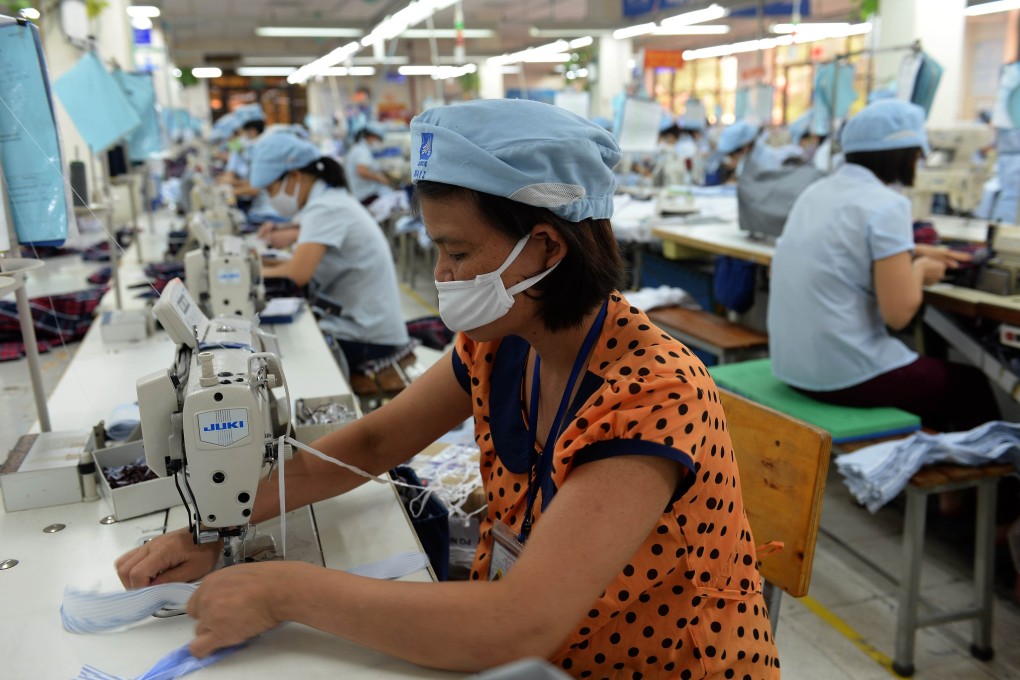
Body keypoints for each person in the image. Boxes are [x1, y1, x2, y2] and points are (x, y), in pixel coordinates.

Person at [115, 99, 779, 679]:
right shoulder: (500, 342)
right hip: (540, 655)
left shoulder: (654, 393)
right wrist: (222, 518)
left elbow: (517, 621)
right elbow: (376, 439)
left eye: (457, 254)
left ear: (546, 249)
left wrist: (281, 591)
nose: (441, 274)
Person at [768, 99, 999, 433]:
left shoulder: (815, 192)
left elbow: (839, 247)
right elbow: (899, 314)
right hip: (842, 376)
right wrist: (918, 269)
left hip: (792, 366)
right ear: (905, 155)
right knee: (969, 385)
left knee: (931, 377)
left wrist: (906, 250)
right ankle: (980, 480)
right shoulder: (888, 205)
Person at [246, 132, 409, 376]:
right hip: (365, 325)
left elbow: (296, 274)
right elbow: (298, 256)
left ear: (294, 177)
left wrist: (242, 273)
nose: (271, 199)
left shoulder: (325, 207)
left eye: (271, 190)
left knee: (284, 354)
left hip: (370, 338)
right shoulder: (327, 200)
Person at [345, 122, 393, 207]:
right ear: (371, 136)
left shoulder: (360, 148)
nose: (378, 142)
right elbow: (362, 171)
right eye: (378, 139)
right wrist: (378, 177)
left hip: (362, 192)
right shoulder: (361, 151)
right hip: (364, 195)